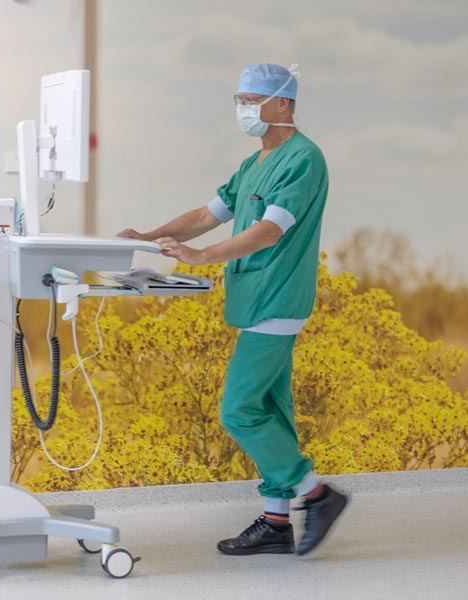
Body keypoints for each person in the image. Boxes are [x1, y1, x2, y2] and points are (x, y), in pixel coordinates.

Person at [118, 63, 348, 556]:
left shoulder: (303, 159)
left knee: (239, 411)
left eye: (251, 99)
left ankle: (316, 494)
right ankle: (276, 520)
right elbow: (206, 215)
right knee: (270, 408)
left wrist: (200, 258)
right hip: (255, 298)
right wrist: (147, 236)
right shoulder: (252, 166)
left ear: (282, 103)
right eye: (239, 100)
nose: (242, 109)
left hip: (278, 297)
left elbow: (270, 230)